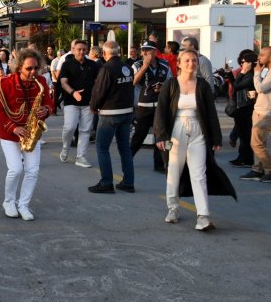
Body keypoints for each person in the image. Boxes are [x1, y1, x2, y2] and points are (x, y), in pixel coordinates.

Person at [154, 49, 235, 230]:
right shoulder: (171, 84)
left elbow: (211, 113)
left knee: (199, 175)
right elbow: (161, 110)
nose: (191, 63)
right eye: (187, 61)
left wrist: (216, 138)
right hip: (176, 131)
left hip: (198, 131)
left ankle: (203, 217)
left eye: (194, 61)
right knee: (174, 171)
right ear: (179, 64)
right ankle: (173, 208)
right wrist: (160, 135)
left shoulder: (203, 85)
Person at [0, 48, 53, 219]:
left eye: (35, 68)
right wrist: (13, 127)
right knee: (16, 169)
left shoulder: (40, 81)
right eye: (29, 69)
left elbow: (50, 104)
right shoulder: (4, 83)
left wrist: (46, 110)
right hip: (11, 133)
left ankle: (24, 204)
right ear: (19, 67)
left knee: (33, 170)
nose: (33, 72)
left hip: (31, 133)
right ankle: (9, 201)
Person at [88, 41, 135, 193]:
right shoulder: (127, 67)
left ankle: (106, 182)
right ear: (119, 52)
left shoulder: (106, 68)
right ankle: (128, 182)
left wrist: (93, 107)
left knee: (102, 147)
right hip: (126, 112)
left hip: (110, 114)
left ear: (104, 53)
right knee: (125, 149)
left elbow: (99, 91)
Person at [130, 40, 172, 172]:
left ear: (155, 52)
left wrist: (163, 87)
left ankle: (159, 164)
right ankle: (128, 157)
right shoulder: (137, 64)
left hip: (160, 105)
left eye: (147, 50)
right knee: (139, 135)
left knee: (160, 135)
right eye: (143, 50)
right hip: (144, 105)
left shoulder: (164, 65)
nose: (144, 53)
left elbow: (170, 82)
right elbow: (133, 82)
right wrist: (144, 67)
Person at [59, 39, 99, 167]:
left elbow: (98, 82)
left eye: (83, 49)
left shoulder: (93, 65)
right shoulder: (67, 64)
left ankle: (81, 157)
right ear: (73, 50)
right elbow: (63, 82)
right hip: (71, 101)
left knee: (85, 130)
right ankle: (65, 148)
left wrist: (96, 99)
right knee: (69, 127)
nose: (81, 52)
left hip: (88, 103)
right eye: (79, 49)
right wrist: (73, 93)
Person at [241, 47, 271, 182]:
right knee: (260, 143)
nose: (259, 58)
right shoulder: (267, 71)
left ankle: (269, 169)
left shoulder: (264, 72)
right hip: (259, 109)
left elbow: (260, 87)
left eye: (262, 55)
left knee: (256, 144)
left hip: (265, 113)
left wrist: (256, 73)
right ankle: (257, 169)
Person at [228, 52, 258, 167]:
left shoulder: (251, 75)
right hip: (241, 107)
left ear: (250, 63)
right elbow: (236, 85)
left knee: (245, 136)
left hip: (246, 108)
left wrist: (242, 72)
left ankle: (247, 159)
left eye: (244, 62)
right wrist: (229, 75)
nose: (242, 64)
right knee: (242, 134)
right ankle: (242, 157)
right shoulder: (248, 74)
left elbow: (237, 86)